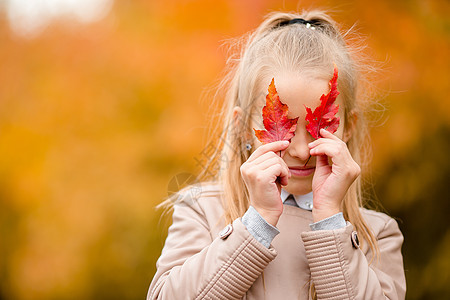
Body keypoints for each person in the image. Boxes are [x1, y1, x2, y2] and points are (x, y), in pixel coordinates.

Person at [147, 9, 406, 300]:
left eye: (321, 127)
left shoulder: (376, 234)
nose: (300, 150)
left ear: (348, 128)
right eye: (282, 127)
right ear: (243, 127)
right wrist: (257, 221)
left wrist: (330, 223)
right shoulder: (202, 211)